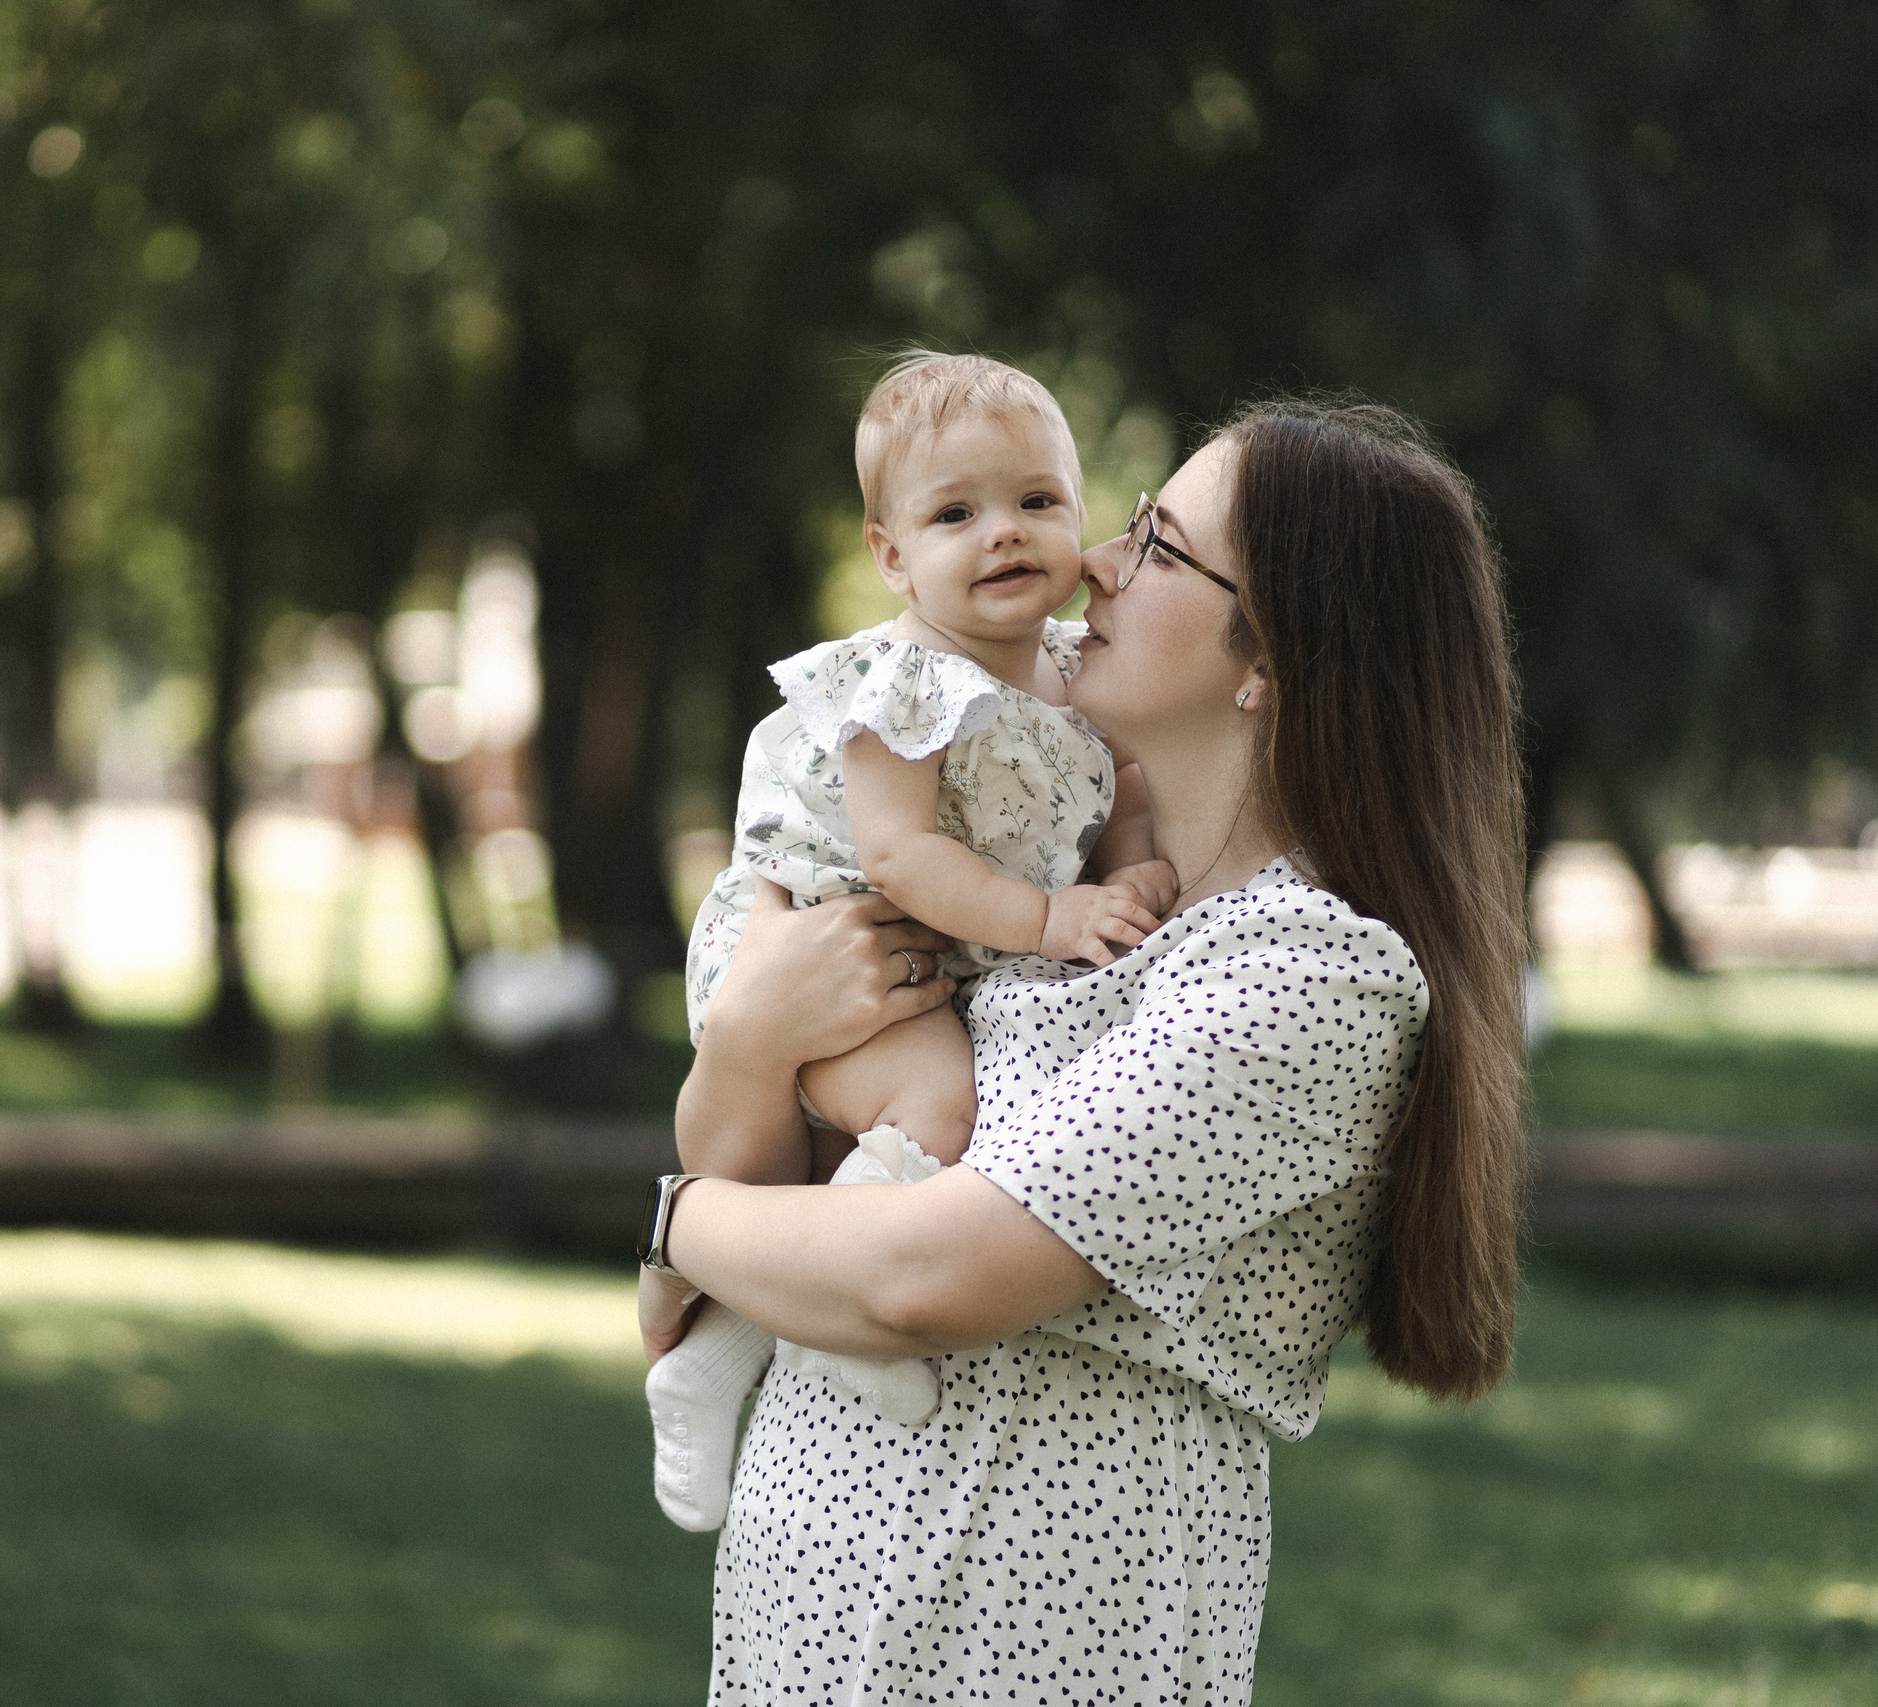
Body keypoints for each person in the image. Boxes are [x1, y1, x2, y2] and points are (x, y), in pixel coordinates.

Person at [636, 396, 1530, 1703]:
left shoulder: (1307, 980)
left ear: (1270, 656)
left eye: (1159, 546)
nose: (1095, 561)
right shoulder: (996, 851)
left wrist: (675, 1228)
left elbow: (916, 1274)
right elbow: (766, 1160)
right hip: (807, 1613)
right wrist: (751, 1052)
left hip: (1040, 1641)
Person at [648, 352, 1173, 1528]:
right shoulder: (901, 685)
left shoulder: (1076, 671)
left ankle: (709, 1357)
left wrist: (1130, 866)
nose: (1002, 534)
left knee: (901, 1133)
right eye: (955, 513)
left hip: (924, 960)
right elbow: (902, 857)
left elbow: (1117, 785)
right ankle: (829, 1320)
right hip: (826, 943)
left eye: (1035, 501)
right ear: (891, 555)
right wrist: (1050, 919)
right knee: (940, 1108)